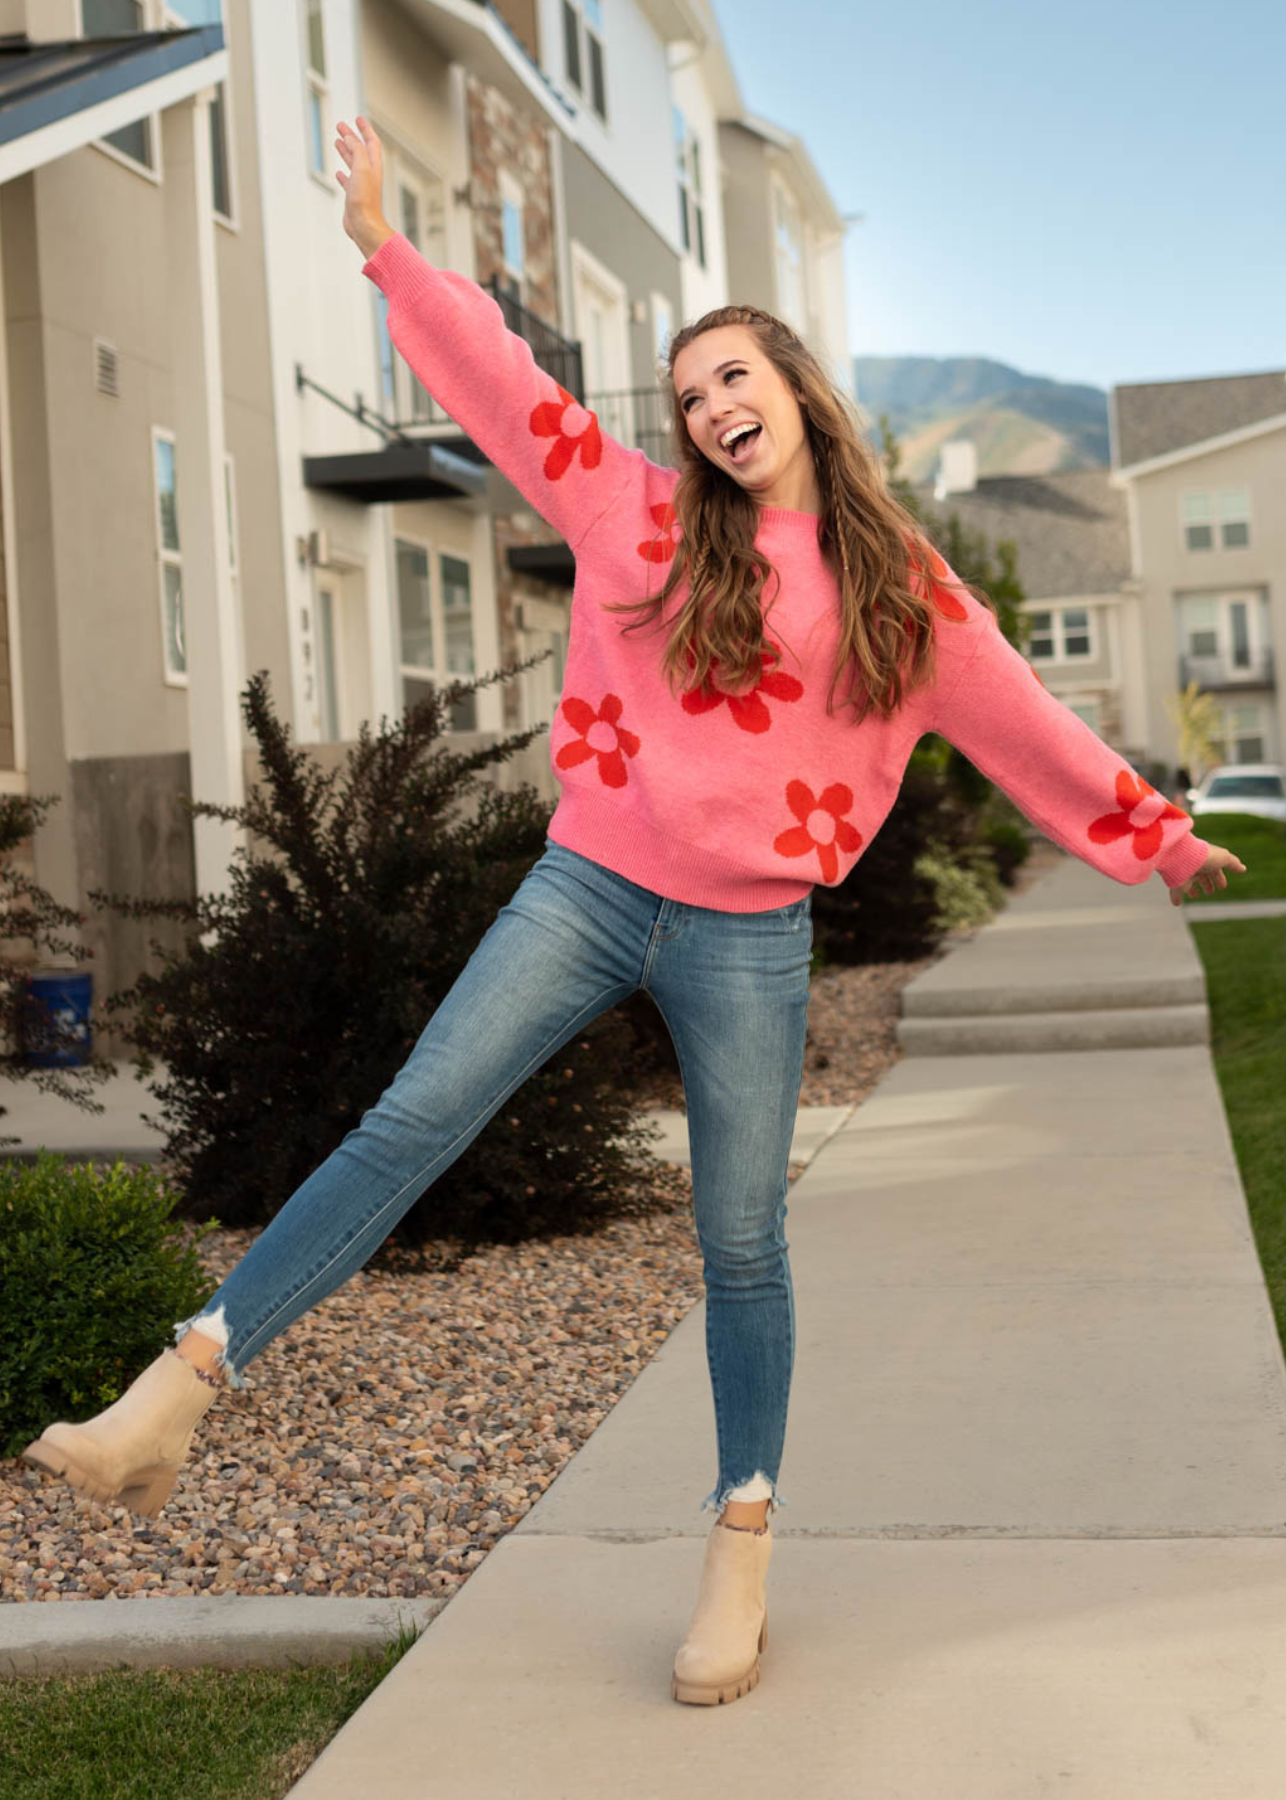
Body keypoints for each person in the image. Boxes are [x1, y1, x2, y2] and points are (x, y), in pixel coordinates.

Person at [21, 117, 1248, 1707]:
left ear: (797, 386)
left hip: (750, 938)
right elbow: (506, 394)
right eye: (688, 396)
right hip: (588, 889)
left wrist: (1149, 833)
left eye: (733, 376)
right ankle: (172, 1395)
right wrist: (386, 245)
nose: (711, 407)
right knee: (411, 1123)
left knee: (740, 1245)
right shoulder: (643, 521)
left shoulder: (901, 588)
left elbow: (1017, 714)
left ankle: (738, 1542)